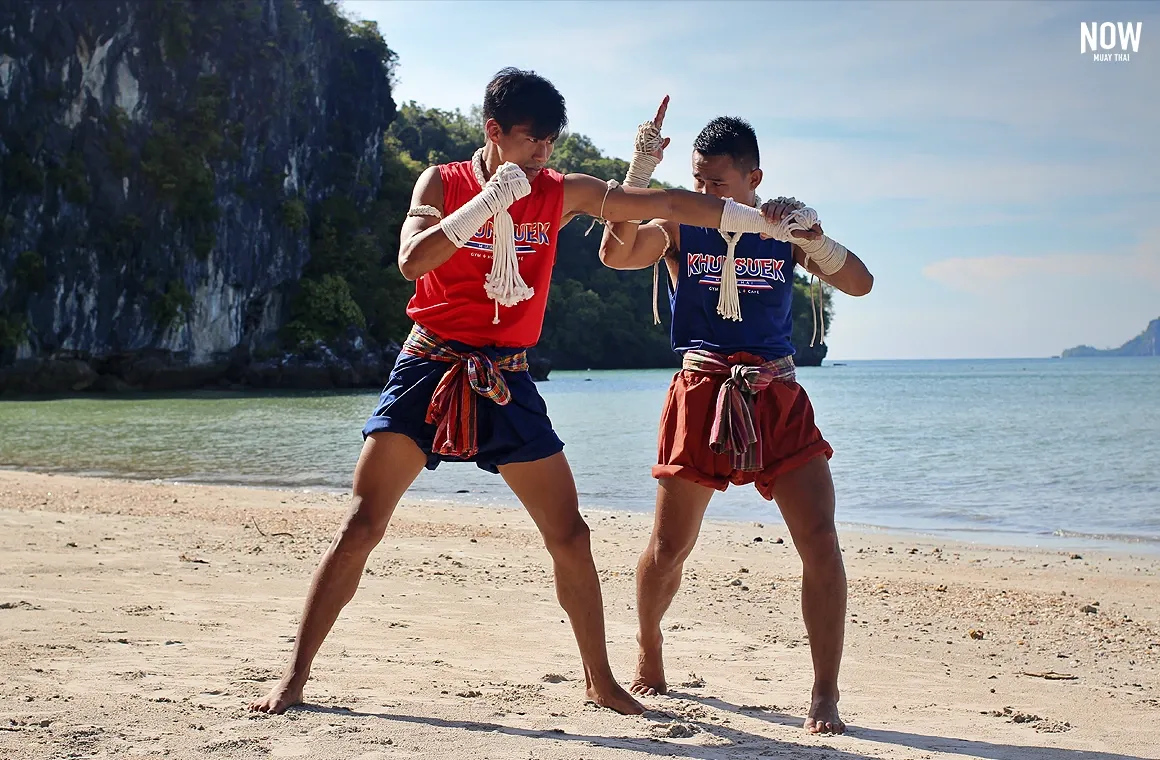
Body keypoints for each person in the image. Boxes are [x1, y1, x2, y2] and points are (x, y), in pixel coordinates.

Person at [249, 69, 792, 717]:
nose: (542, 156)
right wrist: (486, 203)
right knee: (363, 525)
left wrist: (765, 222)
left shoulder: (560, 192)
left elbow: (669, 206)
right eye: (532, 142)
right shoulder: (441, 182)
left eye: (551, 144)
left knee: (571, 535)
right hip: (429, 364)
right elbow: (412, 262)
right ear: (494, 133)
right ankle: (295, 677)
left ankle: (601, 680)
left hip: (507, 376)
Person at [598, 107, 874, 733]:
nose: (703, 194)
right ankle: (649, 645)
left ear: (753, 178)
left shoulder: (779, 230)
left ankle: (824, 692)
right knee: (670, 548)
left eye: (716, 184)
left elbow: (859, 283)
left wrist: (812, 238)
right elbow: (617, 255)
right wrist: (639, 174)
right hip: (702, 389)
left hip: (775, 391)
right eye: (696, 180)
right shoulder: (675, 222)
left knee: (822, 542)